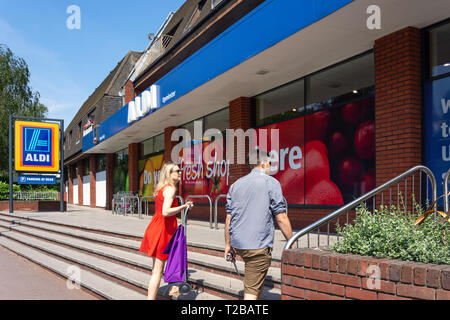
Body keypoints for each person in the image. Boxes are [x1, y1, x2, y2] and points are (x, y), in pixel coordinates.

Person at [224, 151, 294, 300]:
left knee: (255, 283)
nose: (270, 166)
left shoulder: (236, 185)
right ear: (263, 163)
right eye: (270, 163)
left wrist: (228, 245)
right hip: (257, 246)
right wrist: (292, 240)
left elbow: (229, 218)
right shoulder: (271, 182)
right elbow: (281, 217)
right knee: (251, 293)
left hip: (239, 243)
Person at [139, 162, 193, 300]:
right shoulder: (170, 189)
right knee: (157, 271)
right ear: (170, 174)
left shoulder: (162, 188)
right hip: (162, 231)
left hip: (156, 229)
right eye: (177, 171)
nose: (180, 172)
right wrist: (184, 206)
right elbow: (166, 212)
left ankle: (173, 292)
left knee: (162, 266)